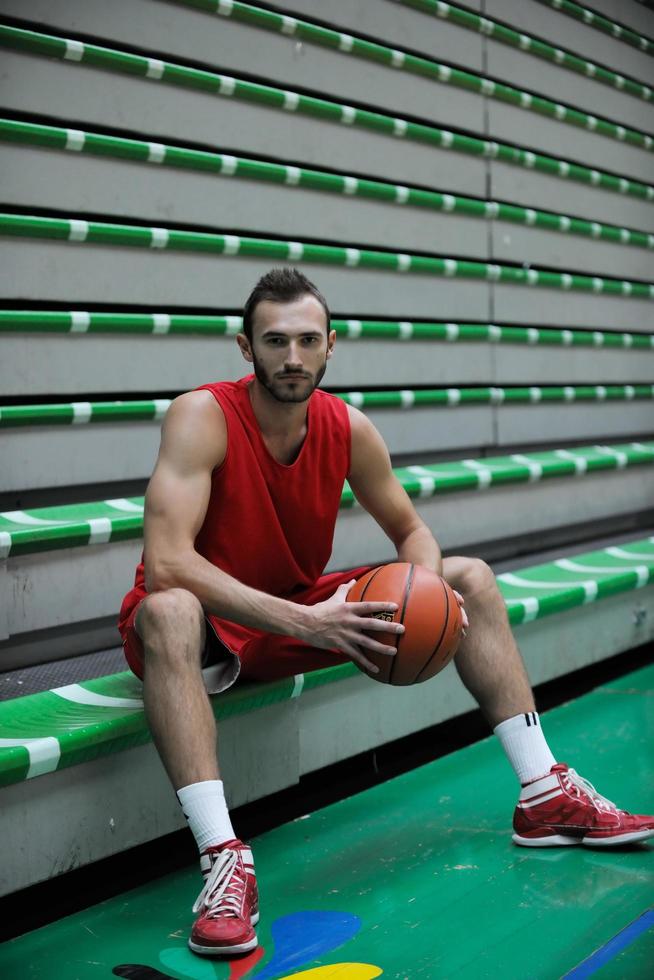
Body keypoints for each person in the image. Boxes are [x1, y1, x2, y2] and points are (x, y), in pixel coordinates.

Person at [118, 268, 654, 958]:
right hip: (207, 623)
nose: (292, 357)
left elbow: (414, 533)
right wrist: (309, 622)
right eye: (275, 341)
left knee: (471, 577)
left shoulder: (350, 428)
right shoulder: (203, 415)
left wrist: (425, 598)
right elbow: (167, 562)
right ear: (245, 348)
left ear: (331, 346)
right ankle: (224, 859)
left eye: (308, 340)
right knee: (168, 610)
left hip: (298, 607)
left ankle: (543, 791)